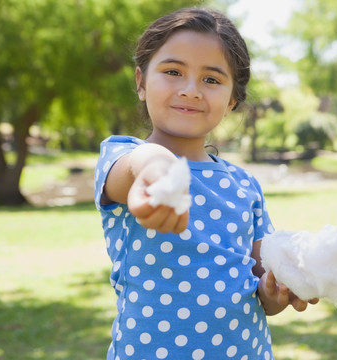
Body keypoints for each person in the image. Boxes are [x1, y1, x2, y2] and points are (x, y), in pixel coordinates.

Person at [94, 7, 317, 359]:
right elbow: (138, 168)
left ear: (231, 100)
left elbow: (262, 289)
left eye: (211, 79)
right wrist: (159, 174)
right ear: (140, 82)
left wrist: (276, 290)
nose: (191, 90)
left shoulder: (245, 185)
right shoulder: (122, 156)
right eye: (172, 71)